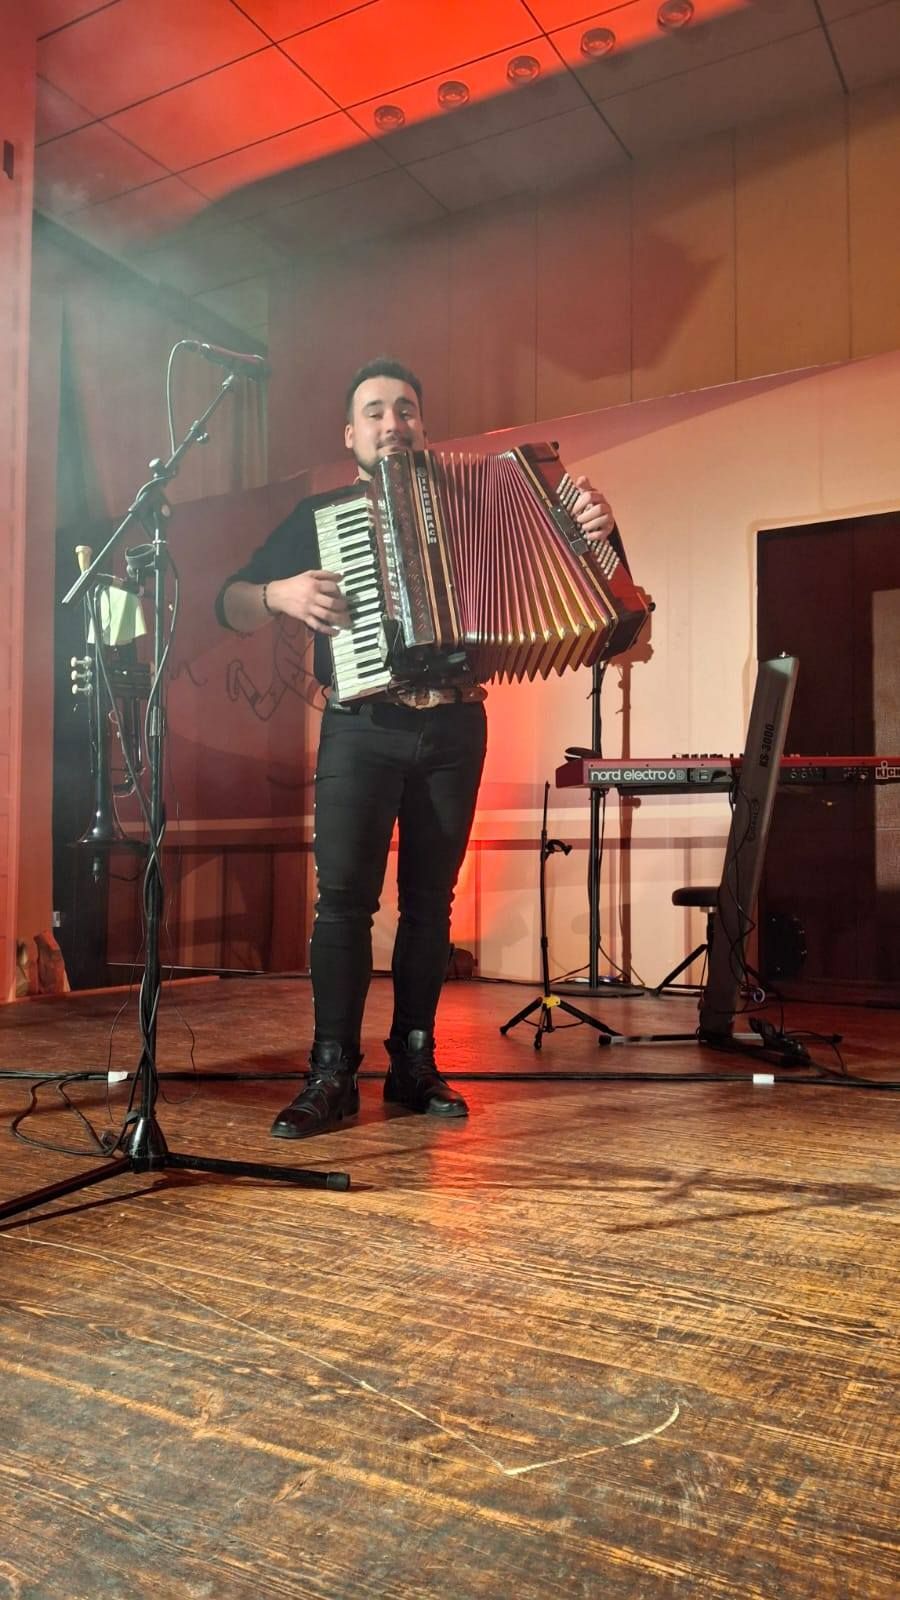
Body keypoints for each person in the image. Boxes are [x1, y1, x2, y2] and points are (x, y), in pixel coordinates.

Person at [216, 359, 616, 1137]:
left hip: (455, 728)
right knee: (343, 903)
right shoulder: (319, 515)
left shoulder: (482, 499)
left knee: (432, 905)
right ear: (350, 434)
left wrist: (594, 528)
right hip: (361, 725)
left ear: (423, 426)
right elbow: (227, 602)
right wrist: (277, 594)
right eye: (374, 411)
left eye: (405, 410)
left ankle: (414, 1063)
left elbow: (576, 569)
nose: (392, 423)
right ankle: (331, 1073)